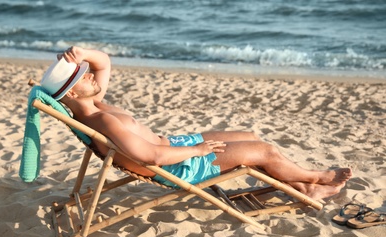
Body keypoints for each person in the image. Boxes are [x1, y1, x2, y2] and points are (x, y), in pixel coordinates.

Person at [40, 46, 352, 200]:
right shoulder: (102, 119)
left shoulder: (92, 103)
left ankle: (300, 187)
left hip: (176, 146)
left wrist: (79, 52)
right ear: (72, 90)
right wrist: (199, 150)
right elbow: (153, 158)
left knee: (248, 135)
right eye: (83, 75)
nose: (92, 74)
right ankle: (317, 178)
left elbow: (103, 61)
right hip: (178, 165)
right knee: (265, 151)